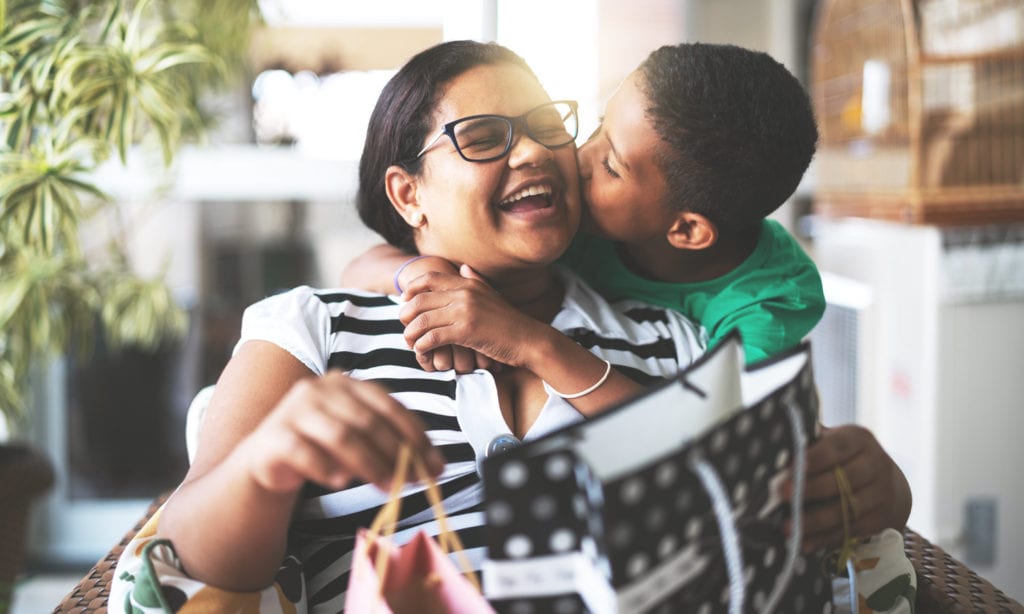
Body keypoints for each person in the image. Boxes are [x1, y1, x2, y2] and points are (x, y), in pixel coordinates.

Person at [110, 40, 707, 614]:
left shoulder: (669, 338)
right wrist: (267, 464)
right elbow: (187, 556)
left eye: (547, 125)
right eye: (481, 138)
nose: (532, 153)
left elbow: (729, 512)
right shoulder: (314, 328)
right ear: (407, 195)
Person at [345, 42, 824, 367]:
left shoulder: (770, 301)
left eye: (612, 164)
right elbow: (361, 268)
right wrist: (419, 274)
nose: (572, 157)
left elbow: (726, 437)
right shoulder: (573, 224)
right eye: (596, 127)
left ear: (686, 231)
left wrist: (526, 340)